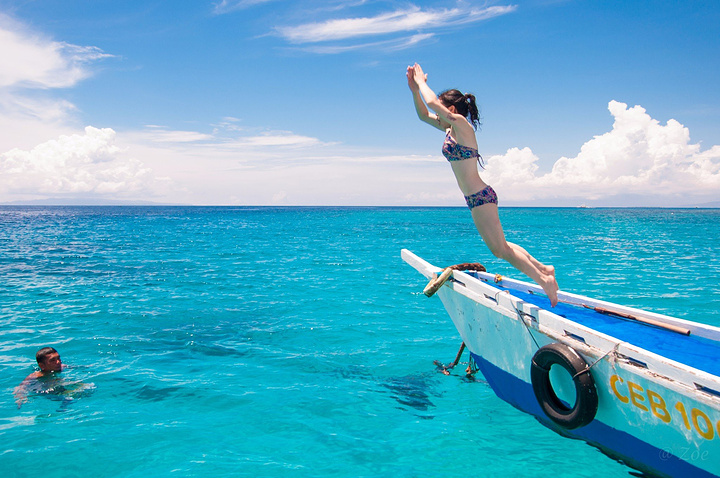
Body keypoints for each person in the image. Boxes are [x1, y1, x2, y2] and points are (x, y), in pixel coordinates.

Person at [406, 63, 559, 306]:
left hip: (480, 196)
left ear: (451, 109)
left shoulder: (462, 126)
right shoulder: (450, 129)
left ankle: (544, 280)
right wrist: (415, 90)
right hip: (475, 197)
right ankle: (544, 269)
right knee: (502, 246)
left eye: (443, 109)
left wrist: (422, 82)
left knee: (499, 250)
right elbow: (424, 115)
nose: (439, 112)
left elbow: (432, 103)